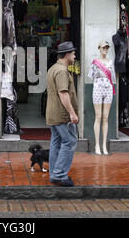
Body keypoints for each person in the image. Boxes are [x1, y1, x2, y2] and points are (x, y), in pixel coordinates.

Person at [46, 41, 79, 187]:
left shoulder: (53, 68)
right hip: (62, 115)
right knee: (69, 141)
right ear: (67, 55)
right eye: (73, 53)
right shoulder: (61, 71)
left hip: (53, 113)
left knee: (56, 142)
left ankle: (55, 174)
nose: (74, 55)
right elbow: (63, 93)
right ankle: (60, 174)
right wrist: (72, 113)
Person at [88, 40, 116, 155]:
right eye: (103, 48)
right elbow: (90, 76)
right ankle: (97, 145)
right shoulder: (95, 62)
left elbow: (113, 76)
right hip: (98, 88)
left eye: (107, 48)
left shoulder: (110, 62)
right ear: (99, 48)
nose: (105, 50)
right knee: (98, 117)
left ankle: (104, 144)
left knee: (105, 117)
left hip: (108, 89)